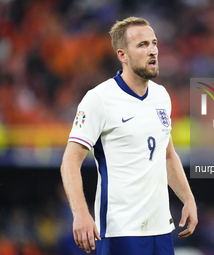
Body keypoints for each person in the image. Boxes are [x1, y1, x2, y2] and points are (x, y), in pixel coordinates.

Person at [60, 17, 197, 255]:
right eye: (142, 45)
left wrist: (188, 198)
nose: (153, 50)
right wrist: (81, 213)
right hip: (120, 231)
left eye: (154, 43)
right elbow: (70, 161)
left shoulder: (162, 97)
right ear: (122, 55)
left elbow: (167, 155)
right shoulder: (99, 99)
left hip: (161, 229)